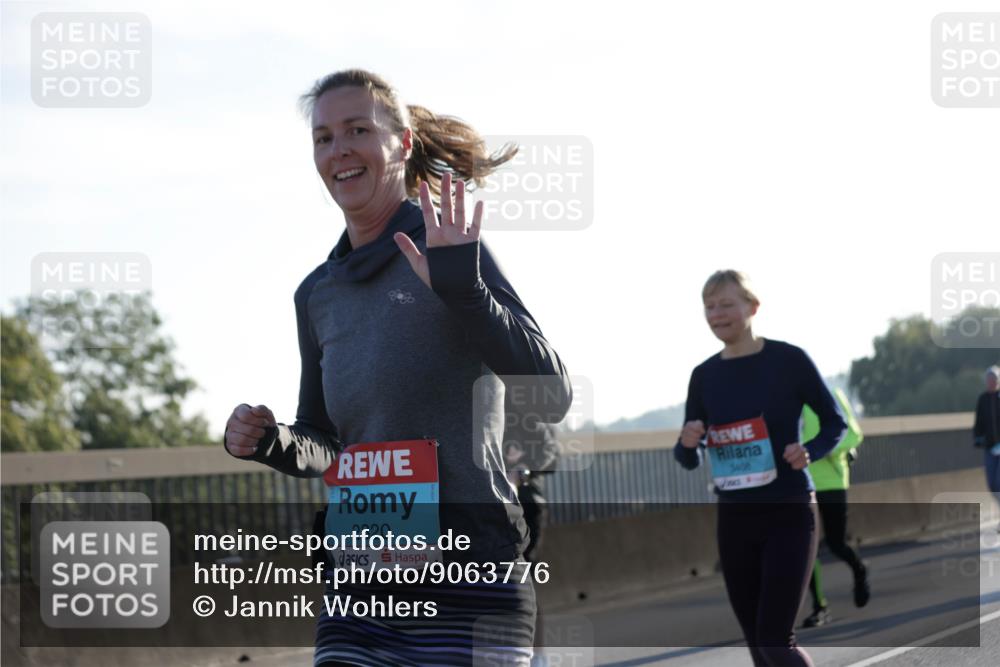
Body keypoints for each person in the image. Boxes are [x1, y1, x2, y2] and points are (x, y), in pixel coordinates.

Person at [222, 69, 572, 667]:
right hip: (360, 585)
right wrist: (271, 442)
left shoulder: (452, 250)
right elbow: (325, 442)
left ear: (401, 144)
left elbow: (551, 392)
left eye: (358, 129)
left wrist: (467, 295)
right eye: (324, 137)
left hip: (471, 578)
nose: (339, 150)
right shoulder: (317, 293)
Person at [674, 269, 846, 667]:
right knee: (756, 643)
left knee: (774, 641)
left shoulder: (789, 360)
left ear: (752, 307)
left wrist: (810, 450)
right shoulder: (704, 376)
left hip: (788, 508)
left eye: (726, 304)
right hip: (734, 518)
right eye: (709, 307)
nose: (717, 314)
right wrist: (686, 442)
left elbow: (835, 421)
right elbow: (688, 456)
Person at [800, 387, 869, 628]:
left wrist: (819, 450)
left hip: (831, 480)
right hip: (800, 483)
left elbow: (853, 435)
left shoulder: (830, 394)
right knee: (807, 546)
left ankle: (859, 570)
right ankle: (820, 607)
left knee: (836, 544)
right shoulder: (784, 398)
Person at [973, 365, 1000, 525]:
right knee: (991, 484)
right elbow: (978, 423)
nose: (992, 382)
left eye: (995, 380)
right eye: (990, 380)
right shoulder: (982, 399)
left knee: (999, 482)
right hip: (990, 448)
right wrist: (977, 437)